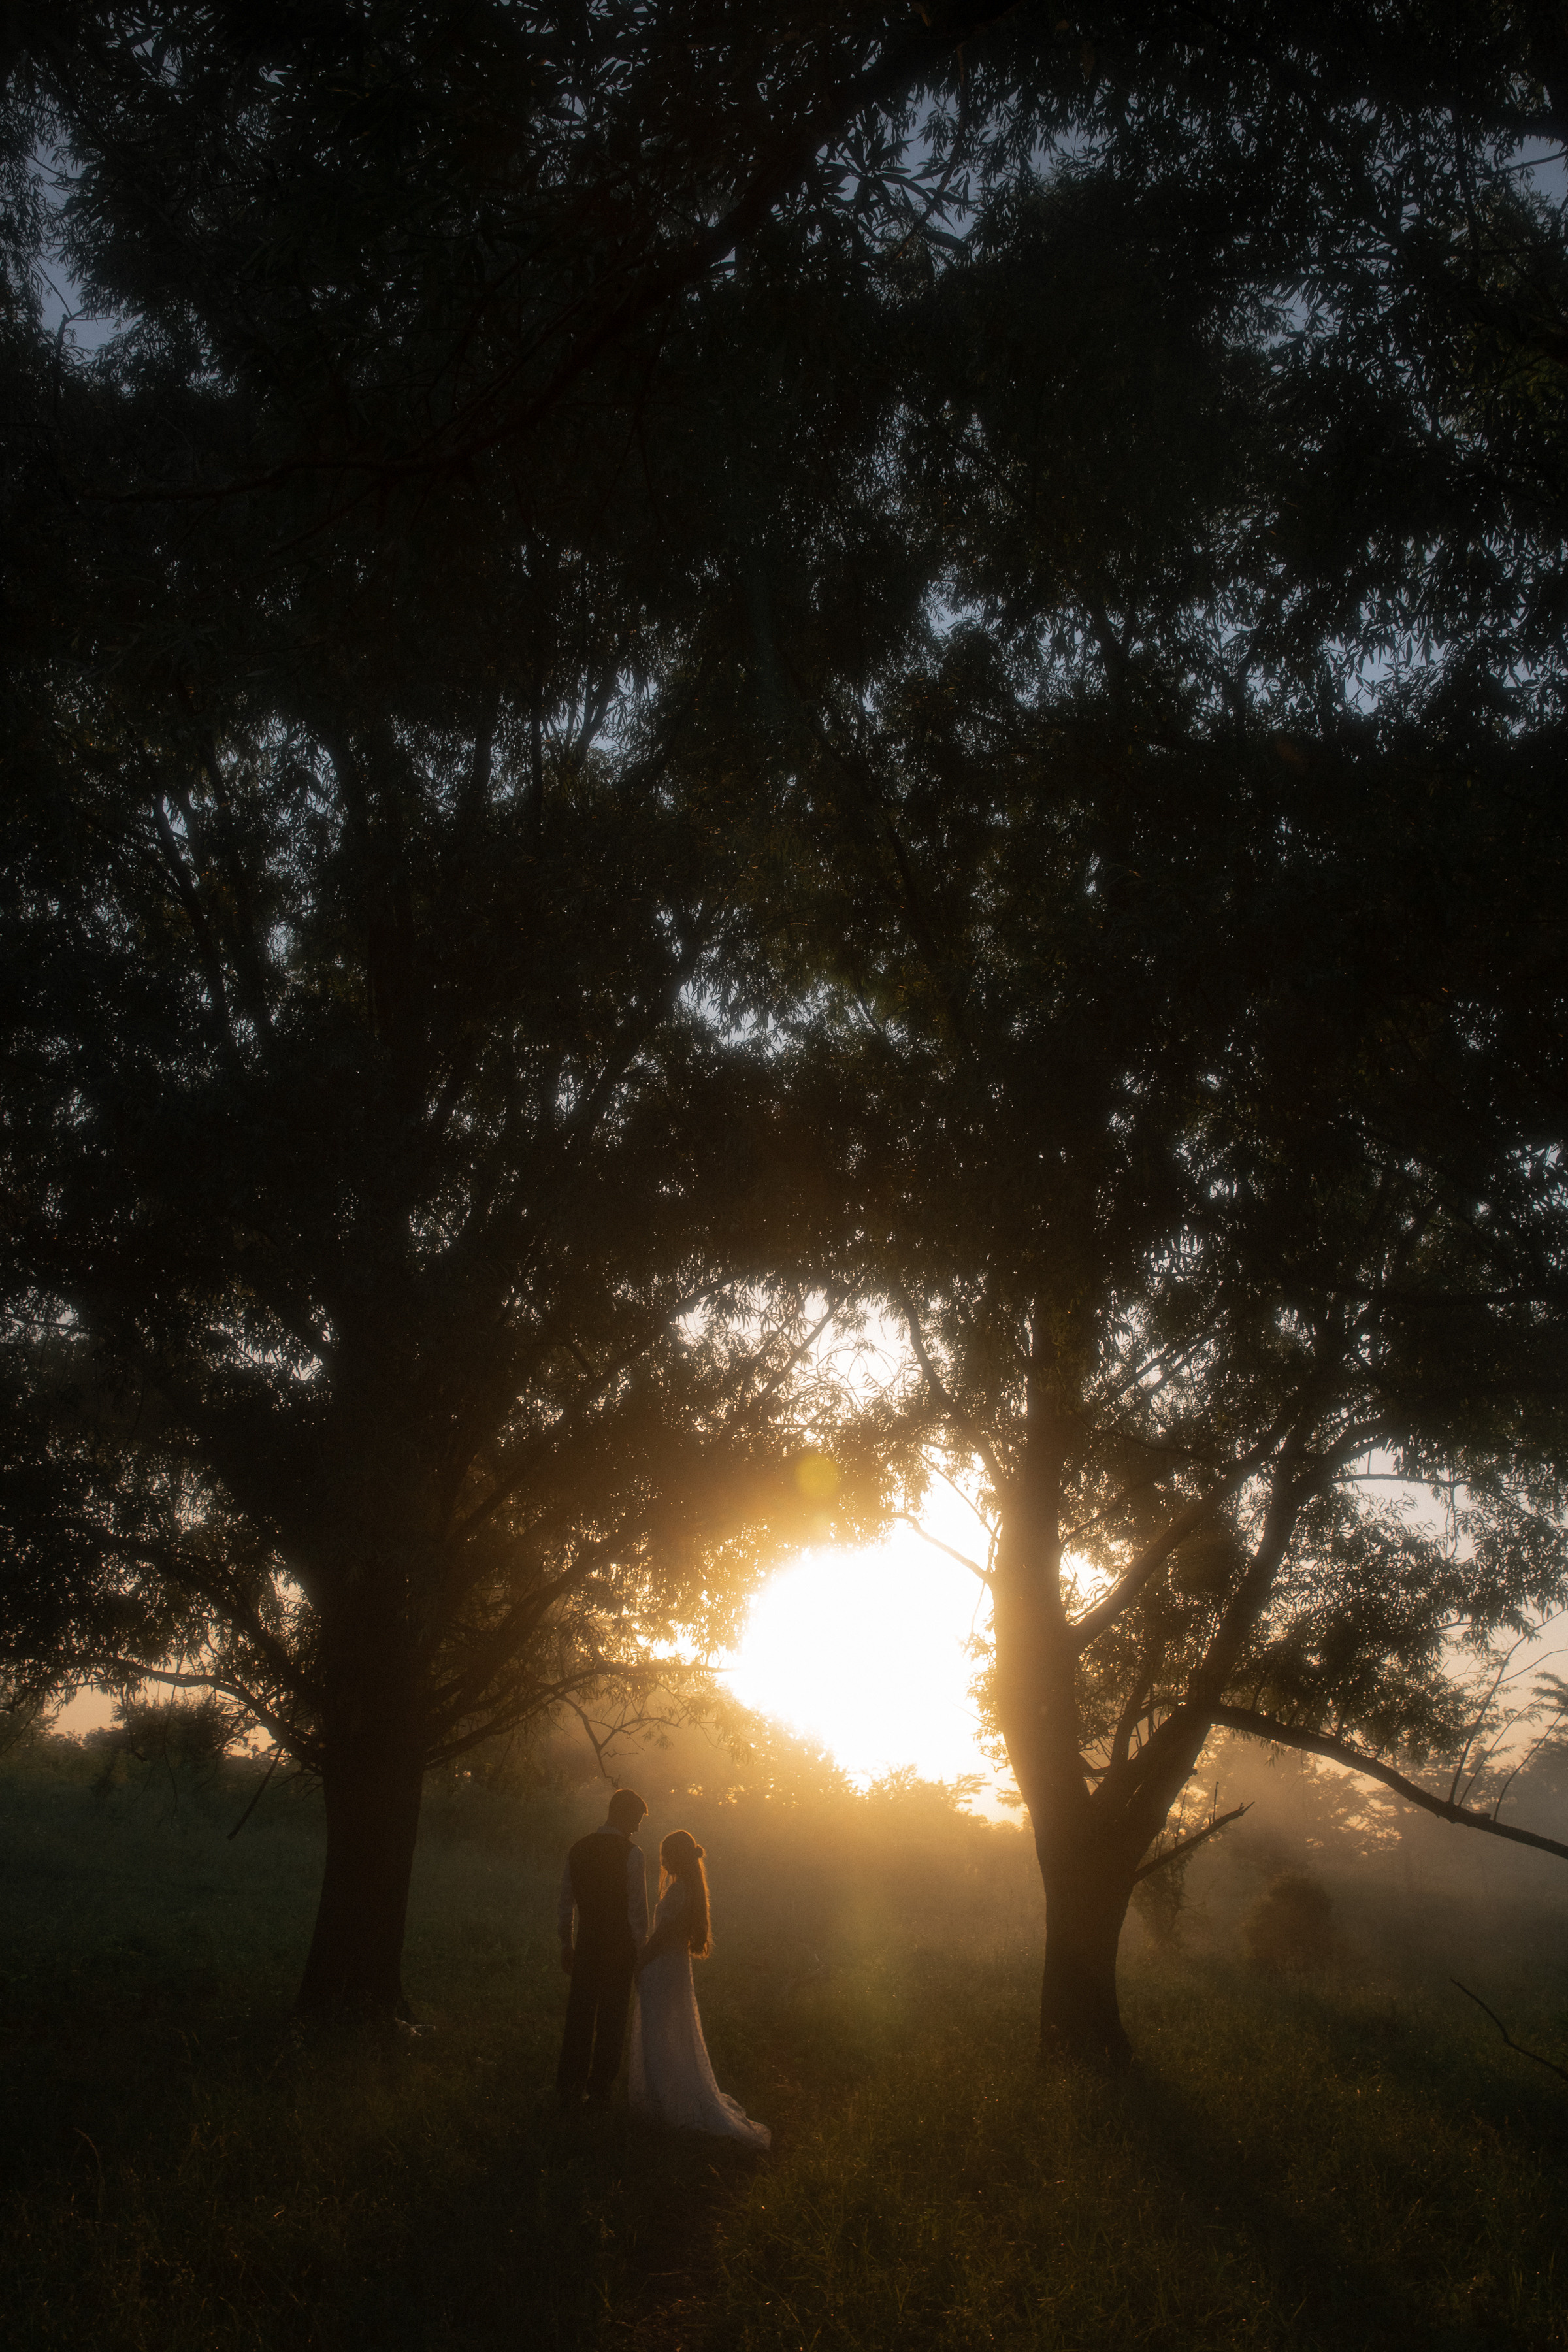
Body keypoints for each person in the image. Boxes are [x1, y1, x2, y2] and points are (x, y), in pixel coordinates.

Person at [629, 1829, 770, 2148]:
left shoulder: (679, 1890)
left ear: (676, 1855)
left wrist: (641, 1962)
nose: (662, 1860)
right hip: (673, 1968)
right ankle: (666, 2099)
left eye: (666, 1853)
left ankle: (665, 2105)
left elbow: (665, 1934)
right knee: (668, 2034)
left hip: (663, 1968)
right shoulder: (688, 1887)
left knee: (660, 2034)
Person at [557, 1787, 649, 2106]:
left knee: (579, 2014)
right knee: (612, 2018)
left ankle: (569, 2084)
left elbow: (565, 1902)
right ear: (622, 1814)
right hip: (620, 1949)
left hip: (586, 1944)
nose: (637, 1827)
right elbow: (637, 1912)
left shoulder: (579, 1848)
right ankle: (600, 2089)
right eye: (636, 1819)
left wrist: (566, 1943)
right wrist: (641, 1955)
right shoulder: (633, 1855)